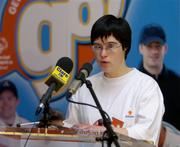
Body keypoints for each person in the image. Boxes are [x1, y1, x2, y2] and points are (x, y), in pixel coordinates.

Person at [63, 14, 164, 146]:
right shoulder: (83, 87)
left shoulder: (146, 86)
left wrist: (105, 131)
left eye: (110, 46)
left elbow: (147, 134)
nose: (103, 53)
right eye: (98, 46)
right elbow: (69, 135)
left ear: (125, 46)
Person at [138, 24, 180, 130]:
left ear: (165, 48)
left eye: (158, 46)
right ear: (141, 48)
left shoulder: (176, 82)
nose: (154, 51)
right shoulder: (132, 83)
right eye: (149, 46)